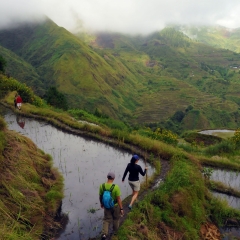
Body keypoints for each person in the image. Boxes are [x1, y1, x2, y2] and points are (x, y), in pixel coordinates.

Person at [99, 172, 124, 240]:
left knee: (106, 220)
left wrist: (101, 203)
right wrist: (121, 208)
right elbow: (118, 199)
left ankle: (104, 234)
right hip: (115, 206)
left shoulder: (102, 186)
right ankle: (115, 232)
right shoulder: (116, 187)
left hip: (106, 206)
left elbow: (100, 196)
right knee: (116, 219)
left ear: (107, 177)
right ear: (113, 178)